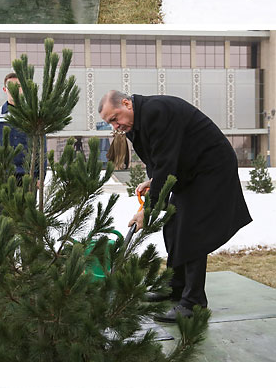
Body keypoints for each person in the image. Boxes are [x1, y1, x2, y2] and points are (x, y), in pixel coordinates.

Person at [98, 89, 252, 315]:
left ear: (126, 103)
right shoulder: (134, 124)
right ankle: (174, 286)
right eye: (110, 122)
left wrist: (147, 210)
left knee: (192, 230)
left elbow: (166, 162)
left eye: (115, 118)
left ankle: (193, 302)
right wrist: (153, 181)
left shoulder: (156, 111)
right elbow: (157, 160)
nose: (115, 126)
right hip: (188, 170)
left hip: (211, 169)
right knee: (173, 226)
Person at [0, 69, 47, 187]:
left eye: (18, 86)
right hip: (2, 178)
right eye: (10, 86)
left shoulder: (33, 116)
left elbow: (41, 148)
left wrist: (40, 176)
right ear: (4, 89)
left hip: (29, 177)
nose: (15, 89)